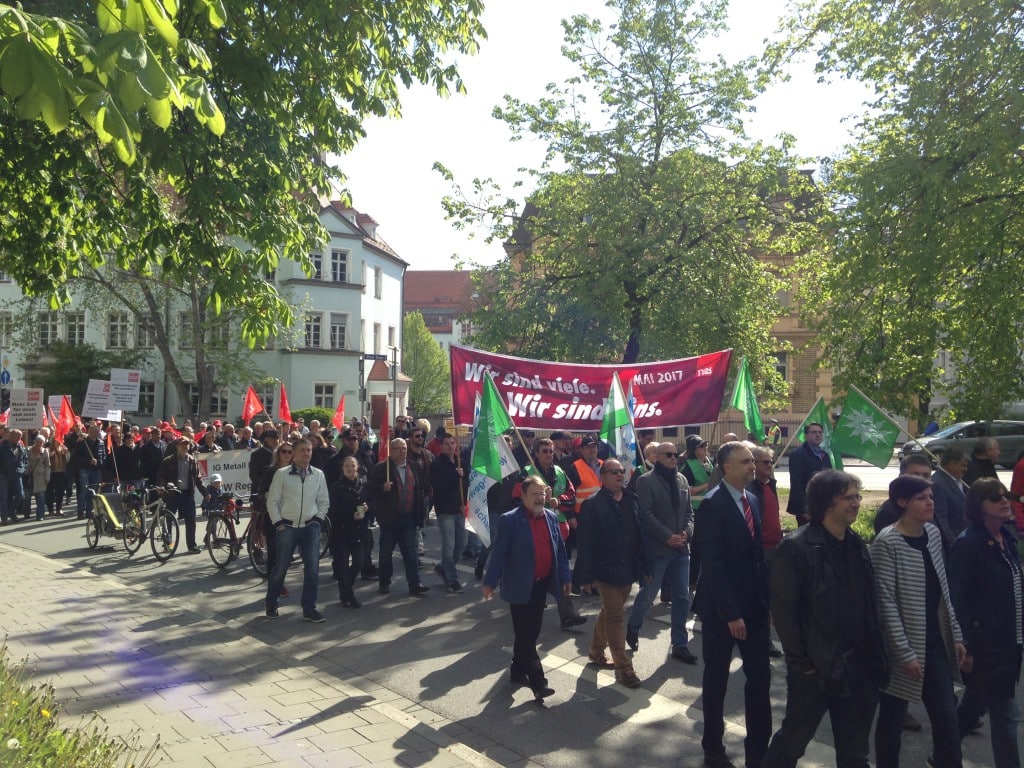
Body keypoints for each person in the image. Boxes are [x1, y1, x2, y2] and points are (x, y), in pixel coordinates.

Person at [763, 470, 889, 768]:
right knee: (791, 744)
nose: (856, 503)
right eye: (849, 497)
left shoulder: (856, 544)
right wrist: (802, 663)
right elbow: (784, 613)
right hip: (818, 668)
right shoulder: (796, 547)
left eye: (858, 496)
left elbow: (869, 603)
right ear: (826, 502)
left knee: (855, 753)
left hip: (859, 667)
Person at [872, 474, 967, 768]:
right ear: (902, 502)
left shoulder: (933, 533)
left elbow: (943, 592)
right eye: (922, 498)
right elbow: (885, 602)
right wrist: (904, 652)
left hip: (935, 642)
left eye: (931, 497)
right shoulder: (887, 542)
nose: (930, 503)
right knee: (892, 717)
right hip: (902, 649)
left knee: (947, 718)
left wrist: (957, 635)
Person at [692, 441, 771, 768]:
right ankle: (713, 747)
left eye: (753, 461)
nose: (752, 466)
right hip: (721, 612)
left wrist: (767, 605)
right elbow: (712, 565)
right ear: (726, 467)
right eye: (745, 461)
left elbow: (757, 560)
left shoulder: (751, 498)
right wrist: (731, 614)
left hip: (752, 609)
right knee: (716, 681)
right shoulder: (713, 504)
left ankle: (758, 752)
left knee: (760, 680)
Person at [949, 478, 1023, 768]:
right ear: (979, 508)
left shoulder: (1007, 538)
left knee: (972, 708)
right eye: (995, 498)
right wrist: (966, 644)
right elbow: (958, 599)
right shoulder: (968, 544)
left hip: (1009, 643)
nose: (1005, 501)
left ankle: (943, 752)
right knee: (1006, 715)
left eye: (1005, 496)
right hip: (987, 645)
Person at [482, 475, 571, 700]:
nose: (540, 498)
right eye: (534, 494)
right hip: (520, 585)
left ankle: (517, 670)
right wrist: (490, 582)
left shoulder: (551, 517)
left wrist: (564, 577)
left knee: (530, 632)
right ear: (523, 496)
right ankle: (539, 683)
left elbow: (559, 550)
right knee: (527, 635)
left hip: (541, 585)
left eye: (542, 494)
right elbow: (500, 553)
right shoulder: (510, 520)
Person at [576, 459, 647, 688]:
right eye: (613, 472)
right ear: (602, 476)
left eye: (621, 471)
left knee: (610, 610)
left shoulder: (631, 498)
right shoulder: (592, 504)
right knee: (616, 615)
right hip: (605, 570)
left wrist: (646, 566)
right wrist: (585, 577)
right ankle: (624, 668)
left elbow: (640, 534)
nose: (619, 475)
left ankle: (596, 651)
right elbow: (585, 543)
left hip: (628, 569)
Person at [626, 442, 696, 664]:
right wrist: (667, 536)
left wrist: (686, 532)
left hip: (681, 548)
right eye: (669, 455)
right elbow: (645, 515)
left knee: (682, 597)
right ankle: (633, 627)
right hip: (659, 549)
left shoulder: (682, 479)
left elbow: (689, 512)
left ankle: (679, 643)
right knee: (648, 594)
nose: (674, 458)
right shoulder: (646, 481)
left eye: (676, 454)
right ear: (656, 457)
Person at [264, 438, 329, 622]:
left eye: (309, 450)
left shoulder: (318, 474)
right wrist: (278, 523)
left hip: (310, 527)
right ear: (293, 452)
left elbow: (324, 500)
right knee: (281, 568)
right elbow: (273, 500)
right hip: (287, 527)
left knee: (312, 570)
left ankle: (309, 608)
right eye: (302, 450)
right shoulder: (282, 474)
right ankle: (272, 603)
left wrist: (318, 519)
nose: (306, 453)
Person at [526, 438, 585, 629]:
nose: (549, 454)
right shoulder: (527, 473)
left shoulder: (560, 471)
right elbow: (518, 499)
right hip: (534, 528)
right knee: (537, 569)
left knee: (558, 568)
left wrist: (558, 501)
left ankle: (567, 613)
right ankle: (528, 600)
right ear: (536, 453)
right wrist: (540, 499)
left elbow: (571, 494)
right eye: (544, 451)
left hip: (556, 527)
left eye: (551, 451)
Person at [368, 438, 429, 597]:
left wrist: (421, 513)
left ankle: (415, 584)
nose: (402, 451)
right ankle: (384, 582)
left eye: (404, 448)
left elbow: (419, 489)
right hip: (390, 519)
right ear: (391, 450)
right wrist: (382, 487)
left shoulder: (412, 466)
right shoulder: (382, 468)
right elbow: (370, 490)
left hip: (409, 518)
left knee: (411, 552)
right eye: (398, 448)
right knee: (386, 553)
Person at [328, 456, 370, 609]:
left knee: (359, 562)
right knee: (343, 566)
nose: (350, 469)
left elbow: (370, 500)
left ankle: (345, 589)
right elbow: (333, 510)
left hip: (359, 530)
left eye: (352, 465)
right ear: (342, 468)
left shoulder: (363, 484)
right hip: (342, 532)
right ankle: (348, 596)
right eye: (347, 466)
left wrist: (367, 507)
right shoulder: (337, 487)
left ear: (357, 467)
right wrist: (349, 514)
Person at [156, 437, 210, 553]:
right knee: (168, 519)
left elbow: (198, 479)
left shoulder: (192, 461)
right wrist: (161, 487)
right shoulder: (168, 460)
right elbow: (161, 477)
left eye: (187, 445)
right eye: (182, 445)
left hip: (187, 494)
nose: (184, 447)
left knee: (191, 521)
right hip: (171, 494)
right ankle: (168, 543)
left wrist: (205, 493)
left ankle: (192, 545)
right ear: (177, 446)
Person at [429, 433, 468, 593]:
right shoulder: (437, 464)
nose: (450, 446)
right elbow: (439, 486)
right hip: (445, 509)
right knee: (449, 544)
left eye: (453, 443)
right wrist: (455, 475)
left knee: (462, 543)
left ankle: (443, 566)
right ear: (441, 446)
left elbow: (465, 485)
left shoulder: (461, 461)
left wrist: (464, 502)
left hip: (460, 509)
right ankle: (451, 579)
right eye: (447, 444)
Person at [873, 453, 934, 533]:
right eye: (915, 475)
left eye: (926, 475)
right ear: (901, 476)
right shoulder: (889, 512)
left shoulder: (931, 503)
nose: (922, 479)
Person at [787, 423, 831, 526]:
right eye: (814, 432)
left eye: (820, 432)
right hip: (807, 508)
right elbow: (796, 483)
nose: (818, 435)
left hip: (822, 505)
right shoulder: (798, 454)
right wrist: (804, 509)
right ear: (806, 435)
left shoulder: (825, 454)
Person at [931, 448, 971, 546]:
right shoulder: (938, 484)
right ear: (951, 464)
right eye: (963, 465)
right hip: (954, 541)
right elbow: (941, 519)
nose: (966, 469)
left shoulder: (956, 479)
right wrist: (953, 544)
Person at [72, 423, 105, 519]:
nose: (97, 433)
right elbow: (76, 457)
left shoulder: (101, 443)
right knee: (84, 491)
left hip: (96, 471)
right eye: (95, 431)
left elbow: (103, 456)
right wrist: (88, 461)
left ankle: (89, 511)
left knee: (92, 492)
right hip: (85, 470)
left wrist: (99, 462)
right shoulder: (82, 443)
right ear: (89, 432)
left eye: (98, 431)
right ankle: (80, 511)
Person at [681, 435, 713, 509]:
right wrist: (708, 484)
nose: (705, 447)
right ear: (694, 449)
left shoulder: (710, 461)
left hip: (712, 504)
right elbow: (689, 491)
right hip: (697, 507)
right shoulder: (687, 467)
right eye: (702, 446)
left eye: (706, 444)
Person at [26, 435, 51, 522]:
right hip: (29, 476)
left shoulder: (45, 452)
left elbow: (48, 466)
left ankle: (40, 515)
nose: (39, 444)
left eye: (41, 442)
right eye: (38, 442)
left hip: (40, 477)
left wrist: (47, 477)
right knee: (27, 496)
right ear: (35, 442)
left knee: (40, 497)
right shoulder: (28, 450)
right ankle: (26, 513)